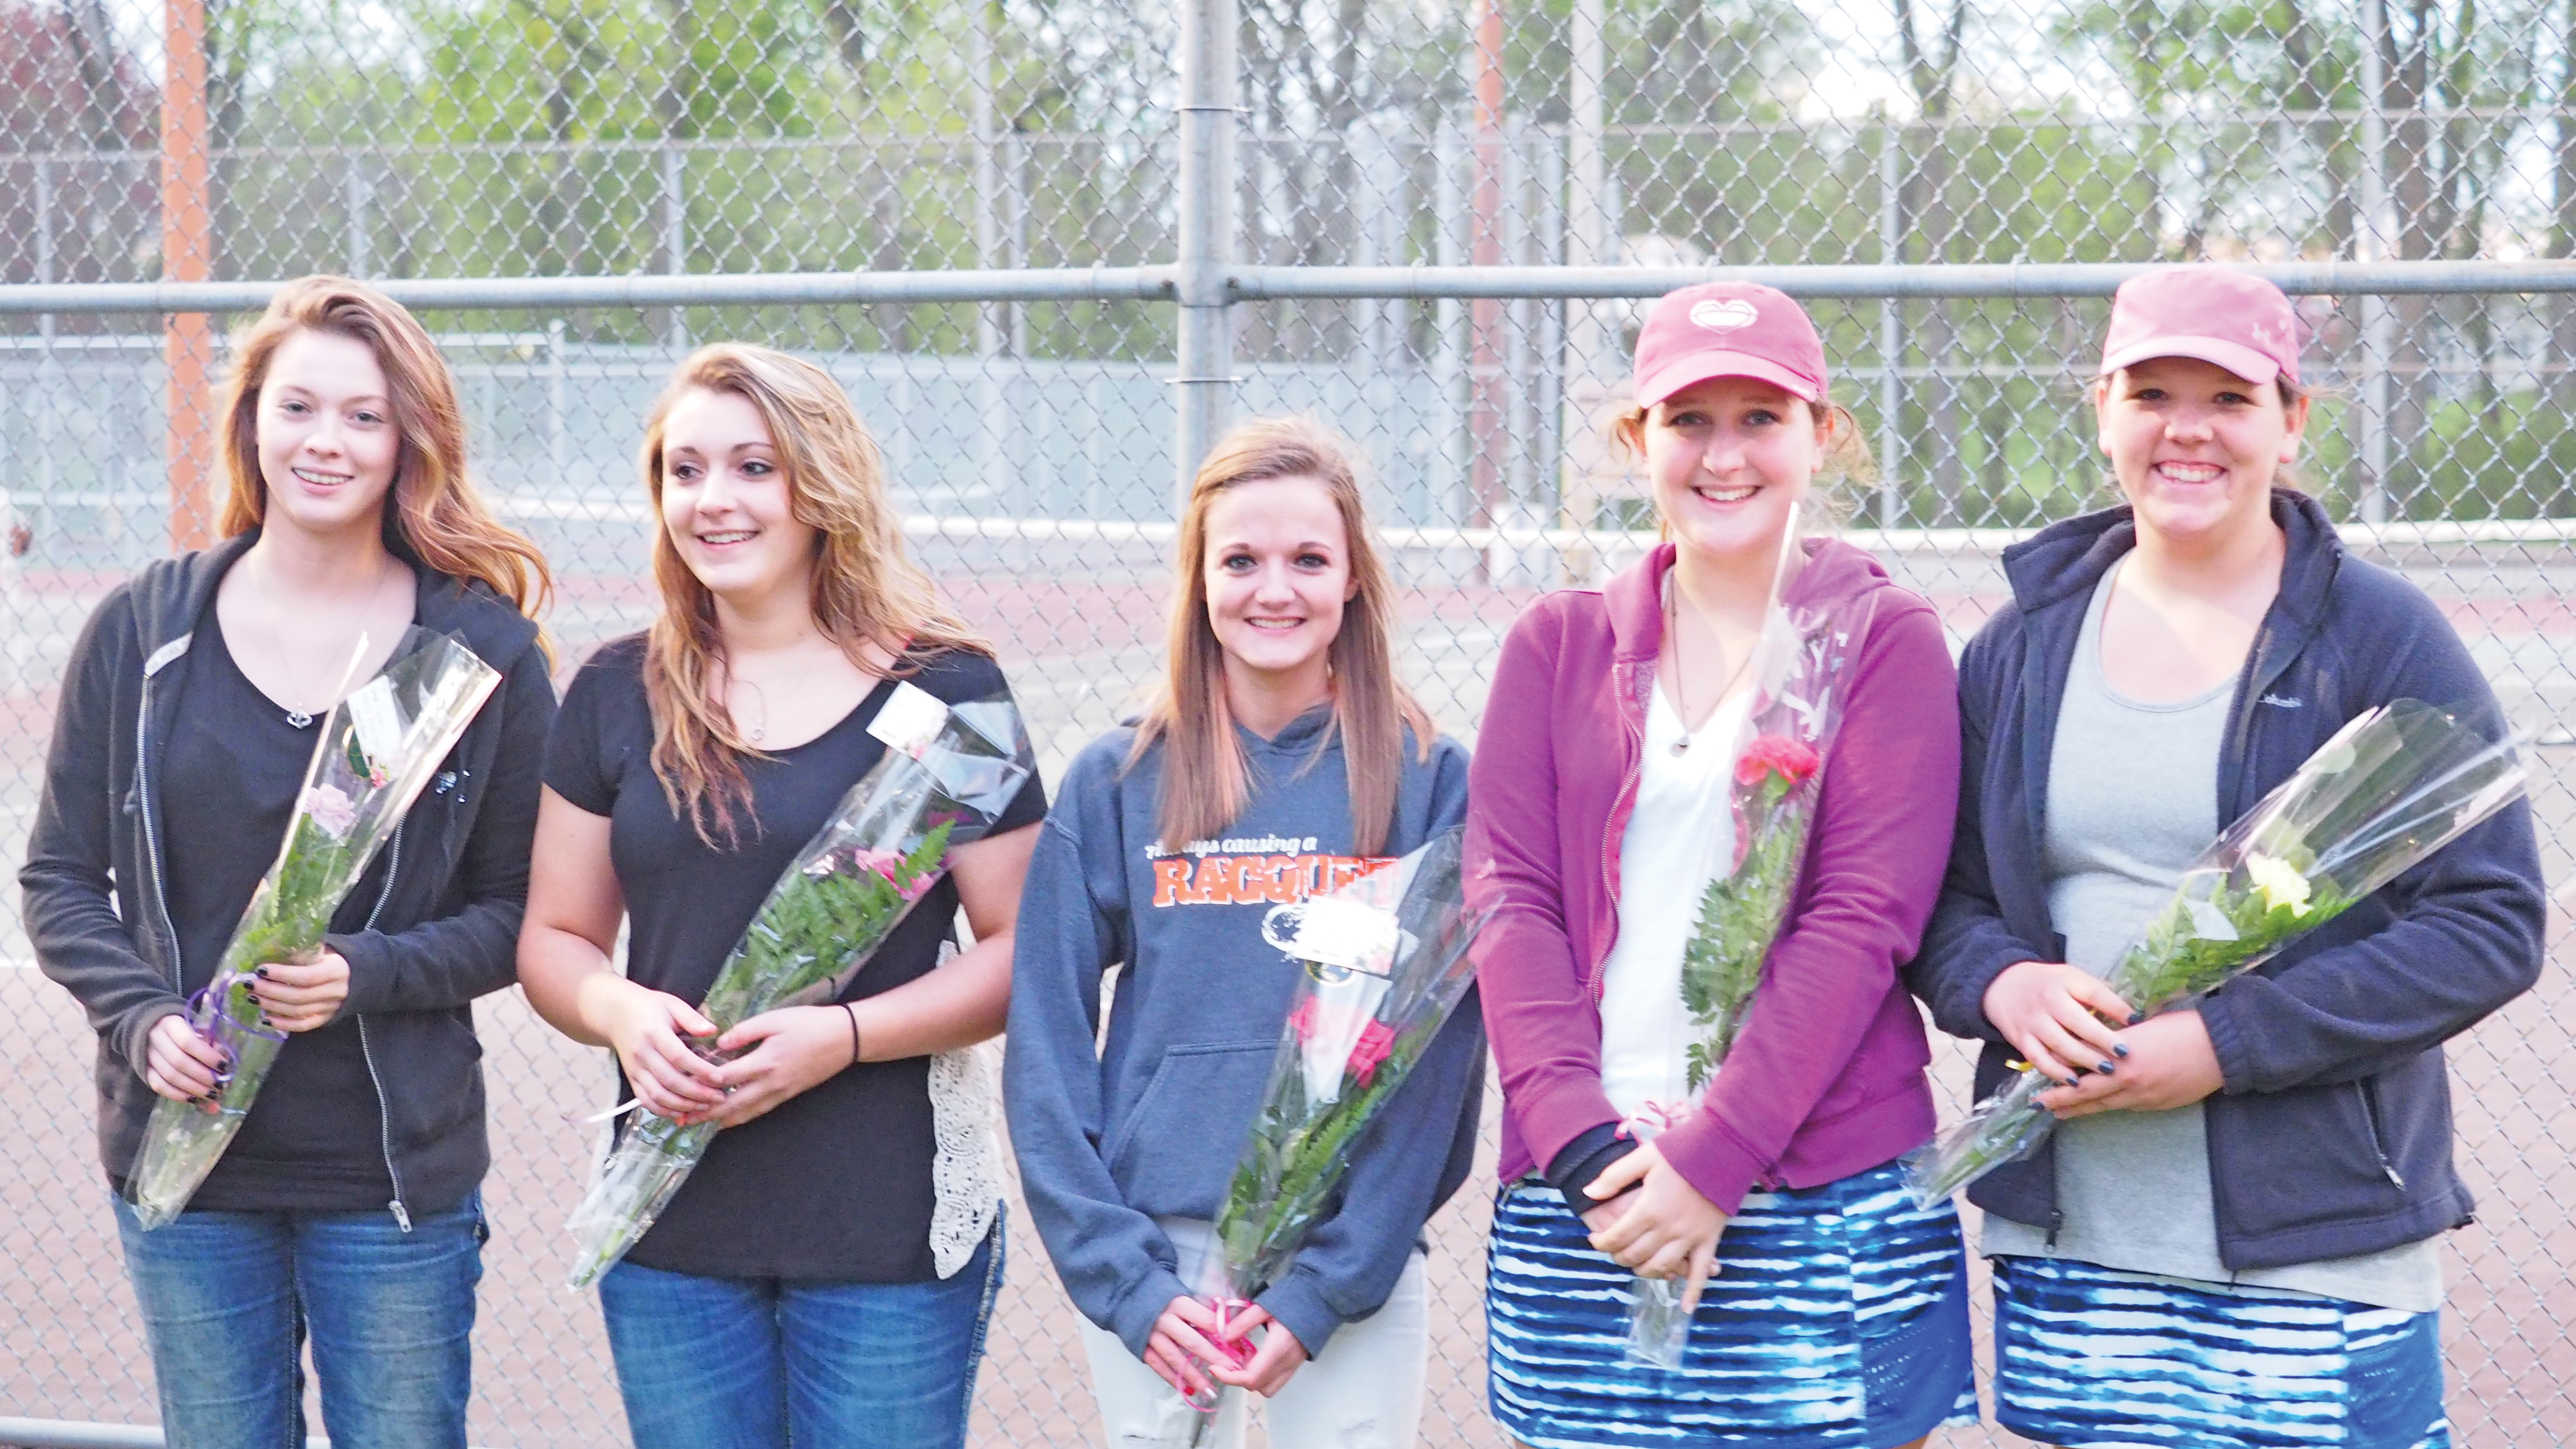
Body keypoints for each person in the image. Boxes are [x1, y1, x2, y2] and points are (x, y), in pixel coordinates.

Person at [1909, 266, 2546, 1449]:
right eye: (2152, 391)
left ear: (2292, 418)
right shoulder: (2023, 644)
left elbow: (2489, 923)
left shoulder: (2377, 634)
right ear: (2101, 407)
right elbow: (1942, 899)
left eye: (2230, 397)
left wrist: (2221, 1046)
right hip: (2074, 1235)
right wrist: (2005, 982)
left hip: (2315, 1247)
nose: (2186, 428)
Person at [21, 276, 556, 1448]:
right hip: (187, 1158)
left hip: (391, 1182)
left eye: (365, 416)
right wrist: (140, 1017)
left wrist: (367, 972)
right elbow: (58, 878)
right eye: (300, 406)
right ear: (252, 419)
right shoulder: (144, 630)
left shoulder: (477, 655)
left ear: (409, 438)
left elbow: (525, 913)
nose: (327, 442)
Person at [1466, 281, 1976, 1449]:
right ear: (1637, 439)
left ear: (1821, 434)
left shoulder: (1881, 636)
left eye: (1762, 418)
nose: (1724, 454)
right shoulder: (1557, 646)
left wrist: (1712, 1162)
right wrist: (1583, 1142)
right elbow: (1511, 901)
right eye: (1691, 420)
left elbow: (1862, 922)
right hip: (1586, 1199)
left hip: (1819, 1191)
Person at [517, 343, 1043, 1449]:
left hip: (885, 1233)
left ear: (820, 484)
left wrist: (843, 1038)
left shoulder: (949, 691)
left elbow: (1018, 956)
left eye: (754, 467)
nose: (715, 500)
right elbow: (556, 939)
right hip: (672, 1228)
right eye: (687, 470)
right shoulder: (616, 691)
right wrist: (620, 1012)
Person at [1004, 416, 1483, 1449]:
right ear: (1200, 578)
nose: (1276, 589)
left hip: (1345, 1263)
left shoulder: (1431, 784)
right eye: (1242, 560)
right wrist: (1124, 1283)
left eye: (1309, 559)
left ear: (1353, 578)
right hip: (1157, 1267)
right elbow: (1044, 1051)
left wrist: (1325, 1290)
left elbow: (1436, 1074)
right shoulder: (1118, 781)